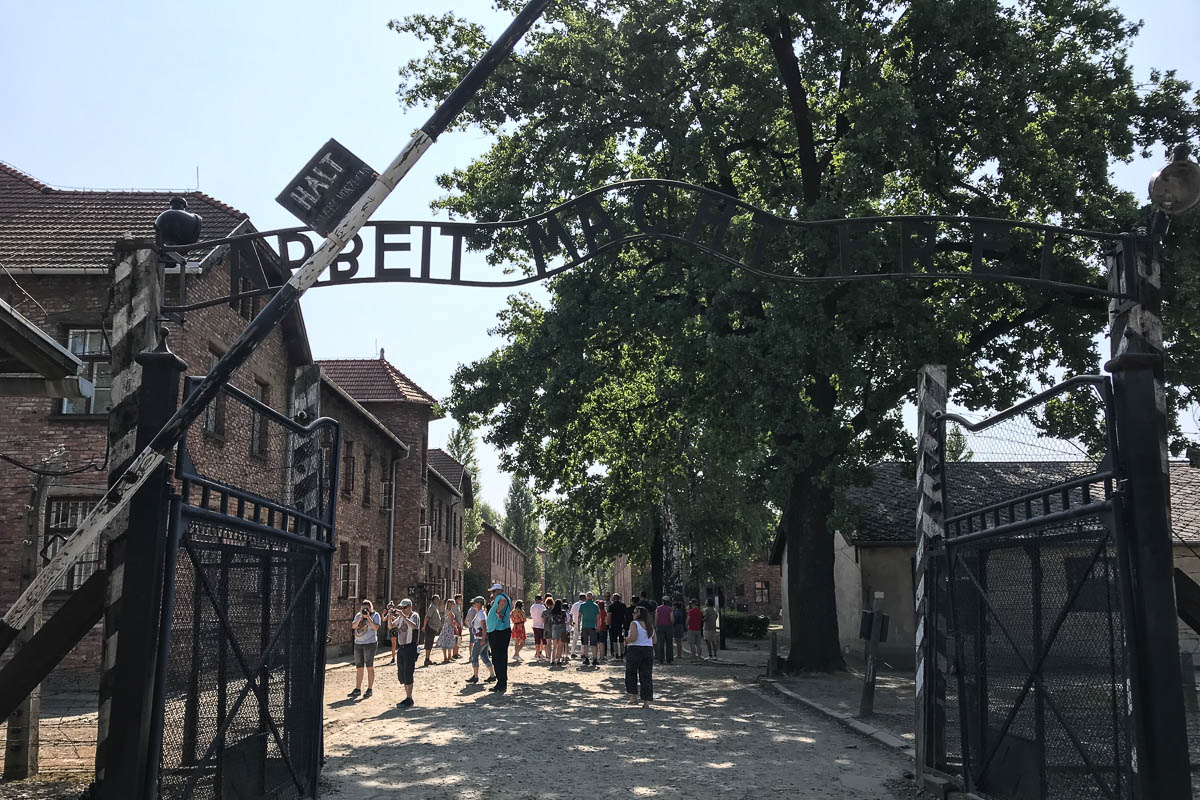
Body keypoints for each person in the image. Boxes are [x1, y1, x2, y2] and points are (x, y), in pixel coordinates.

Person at [390, 597, 420, 706]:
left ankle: (409, 697)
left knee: (408, 671)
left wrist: (403, 616)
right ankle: (407, 696)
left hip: (410, 647)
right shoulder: (401, 617)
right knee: (402, 672)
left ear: (410, 607)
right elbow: (391, 626)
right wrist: (389, 615)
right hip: (401, 647)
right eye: (402, 608)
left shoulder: (414, 616)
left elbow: (414, 626)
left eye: (405, 607)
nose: (403, 610)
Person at [625, 606, 656, 708]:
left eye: (634, 613)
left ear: (638, 614)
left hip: (635, 650)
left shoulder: (634, 624)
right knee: (646, 676)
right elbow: (654, 640)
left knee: (631, 673)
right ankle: (646, 701)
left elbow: (634, 637)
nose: (632, 614)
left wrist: (626, 639)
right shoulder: (650, 625)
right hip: (648, 650)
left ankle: (633, 698)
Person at [348, 599, 381, 698]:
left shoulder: (375, 615)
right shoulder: (358, 615)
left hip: (370, 644)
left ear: (371, 608)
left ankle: (370, 689)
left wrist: (368, 618)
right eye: (363, 609)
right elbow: (353, 626)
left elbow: (376, 628)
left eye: (366, 608)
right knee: (359, 668)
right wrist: (361, 617)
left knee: (369, 666)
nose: (364, 610)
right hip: (358, 644)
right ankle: (357, 688)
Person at [486, 583, 513, 693]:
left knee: (497, 658)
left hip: (498, 631)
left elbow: (502, 602)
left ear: (497, 591)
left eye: (493, 592)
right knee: (502, 657)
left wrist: (497, 611)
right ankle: (502, 681)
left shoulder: (501, 597)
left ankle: (501, 682)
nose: (492, 594)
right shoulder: (506, 597)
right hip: (502, 630)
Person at [465, 596, 495, 685]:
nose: (473, 605)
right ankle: (492, 675)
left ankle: (475, 676)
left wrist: (482, 638)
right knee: (484, 656)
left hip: (480, 638)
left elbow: (484, 627)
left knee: (474, 656)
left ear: (478, 604)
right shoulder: (481, 613)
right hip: (483, 638)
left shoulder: (481, 614)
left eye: (474, 603)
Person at [578, 591, 600, 666]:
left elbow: (579, 616)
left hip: (584, 626)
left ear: (586, 597)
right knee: (593, 643)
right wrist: (598, 625)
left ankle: (586, 658)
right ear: (592, 597)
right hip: (592, 626)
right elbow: (598, 617)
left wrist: (578, 626)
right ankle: (594, 658)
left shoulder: (582, 605)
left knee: (585, 643)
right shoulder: (595, 606)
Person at [421, 595, 444, 667]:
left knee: (430, 643)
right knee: (428, 643)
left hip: (433, 628)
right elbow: (427, 617)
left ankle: (428, 659)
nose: (439, 601)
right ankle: (426, 659)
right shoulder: (432, 607)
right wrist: (424, 626)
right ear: (434, 600)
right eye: (438, 599)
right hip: (430, 627)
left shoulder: (435, 607)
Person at [436, 598, 458, 663]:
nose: (454, 605)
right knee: (449, 642)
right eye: (453, 604)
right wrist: (455, 627)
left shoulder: (447, 611)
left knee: (445, 642)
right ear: (450, 604)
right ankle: (448, 657)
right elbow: (451, 622)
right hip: (449, 628)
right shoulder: (450, 612)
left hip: (445, 627)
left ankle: (447, 657)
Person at [654, 597, 674, 665]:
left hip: (660, 627)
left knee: (660, 643)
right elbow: (671, 619)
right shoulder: (670, 609)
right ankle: (669, 659)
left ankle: (661, 658)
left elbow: (656, 618)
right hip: (668, 627)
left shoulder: (658, 608)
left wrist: (656, 626)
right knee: (669, 643)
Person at [607, 593, 627, 659]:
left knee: (614, 639)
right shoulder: (623, 605)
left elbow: (609, 616)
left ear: (613, 599)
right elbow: (625, 615)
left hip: (613, 624)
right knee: (621, 639)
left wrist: (609, 624)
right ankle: (621, 653)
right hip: (621, 624)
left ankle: (616, 653)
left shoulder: (611, 606)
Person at [529, 595, 547, 660]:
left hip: (535, 625)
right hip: (542, 625)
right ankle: (541, 652)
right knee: (543, 640)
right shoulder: (543, 607)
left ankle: (537, 653)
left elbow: (531, 615)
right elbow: (545, 615)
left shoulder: (532, 607)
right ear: (539, 600)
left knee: (537, 640)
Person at [550, 599, 568, 665]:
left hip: (554, 627)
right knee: (560, 645)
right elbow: (565, 620)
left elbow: (551, 620)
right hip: (562, 628)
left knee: (554, 646)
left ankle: (552, 660)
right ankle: (559, 660)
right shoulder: (563, 612)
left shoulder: (552, 612)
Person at [569, 593, 585, 659]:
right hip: (583, 623)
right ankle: (583, 652)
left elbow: (571, 614)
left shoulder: (575, 605)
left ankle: (572, 652)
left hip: (575, 622)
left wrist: (571, 621)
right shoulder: (584, 605)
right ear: (584, 598)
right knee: (583, 638)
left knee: (575, 638)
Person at [450, 593, 465, 660]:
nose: (461, 600)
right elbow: (453, 617)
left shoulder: (458, 606)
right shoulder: (455, 606)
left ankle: (456, 652)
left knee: (459, 639)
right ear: (456, 599)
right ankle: (454, 654)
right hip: (457, 625)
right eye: (460, 599)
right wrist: (458, 624)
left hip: (460, 625)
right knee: (456, 639)